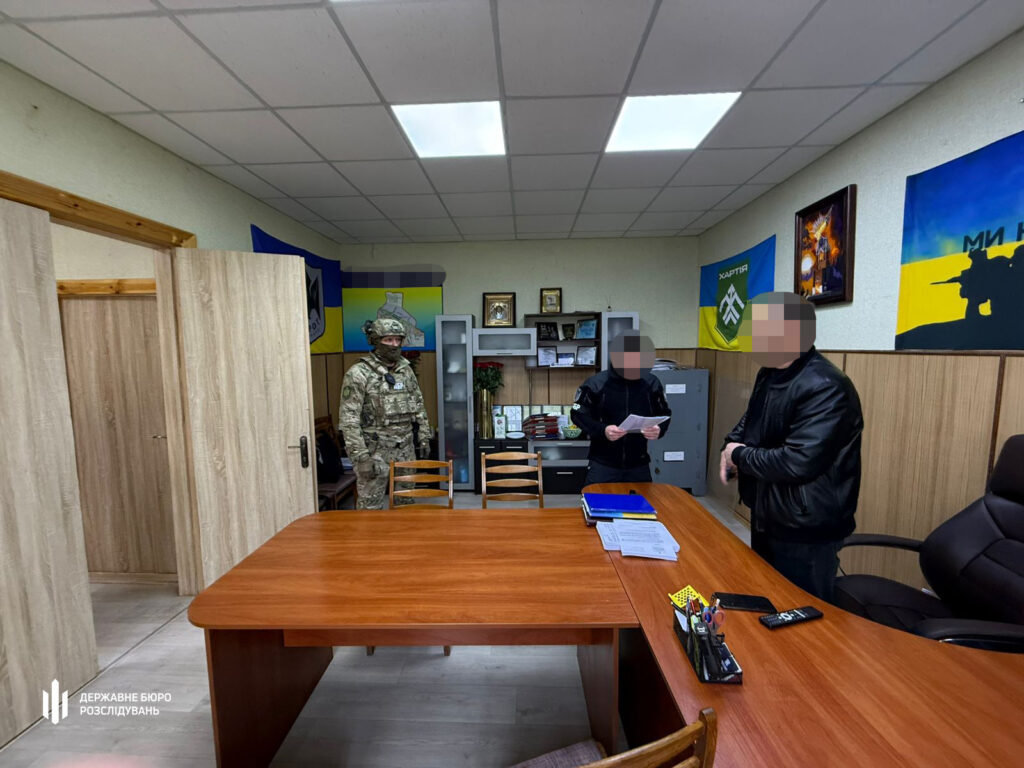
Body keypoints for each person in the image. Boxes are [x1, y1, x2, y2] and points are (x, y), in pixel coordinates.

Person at [720, 292, 863, 602]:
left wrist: (739, 455)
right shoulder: (770, 372)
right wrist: (730, 444)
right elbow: (750, 421)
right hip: (767, 513)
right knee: (765, 598)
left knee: (801, 612)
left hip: (805, 527)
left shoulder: (827, 386)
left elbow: (797, 462)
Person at [338, 318, 432, 509]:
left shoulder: (406, 371)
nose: (394, 345)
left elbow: (419, 405)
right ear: (375, 340)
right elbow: (349, 420)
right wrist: (361, 457)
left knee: (406, 504)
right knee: (370, 509)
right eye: (388, 340)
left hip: (405, 449)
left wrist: (424, 437)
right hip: (375, 451)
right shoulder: (358, 373)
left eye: (398, 340)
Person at [571, 331, 671, 484]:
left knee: (643, 500)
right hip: (602, 464)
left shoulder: (651, 383)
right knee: (595, 499)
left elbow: (664, 413)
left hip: (639, 464)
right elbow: (577, 414)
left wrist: (659, 429)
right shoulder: (595, 383)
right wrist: (603, 430)